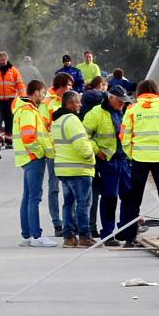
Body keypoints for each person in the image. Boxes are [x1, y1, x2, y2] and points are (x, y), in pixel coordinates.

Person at [119, 79, 159, 247]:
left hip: (139, 159)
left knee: (134, 200)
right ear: (156, 92)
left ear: (139, 92)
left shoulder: (132, 110)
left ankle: (130, 239)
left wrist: (131, 154)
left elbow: (124, 136)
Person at [83, 85, 133, 247]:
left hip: (123, 160)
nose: (122, 104)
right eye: (120, 101)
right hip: (108, 162)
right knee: (110, 198)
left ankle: (124, 230)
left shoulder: (122, 112)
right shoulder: (95, 114)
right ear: (110, 98)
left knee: (128, 196)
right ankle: (108, 233)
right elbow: (85, 136)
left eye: (124, 102)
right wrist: (98, 151)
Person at [13, 80, 57, 247]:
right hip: (33, 158)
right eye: (43, 93)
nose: (44, 96)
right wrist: (39, 153)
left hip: (28, 157)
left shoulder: (24, 109)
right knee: (34, 198)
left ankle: (27, 235)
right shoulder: (28, 111)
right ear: (36, 92)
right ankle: (37, 235)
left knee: (28, 197)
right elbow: (29, 137)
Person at [51, 90, 96, 248]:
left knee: (68, 204)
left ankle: (69, 237)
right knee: (83, 204)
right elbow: (81, 145)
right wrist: (91, 158)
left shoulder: (57, 121)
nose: (80, 105)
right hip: (79, 169)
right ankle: (84, 236)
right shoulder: (72, 120)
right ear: (70, 104)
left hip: (63, 170)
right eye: (78, 102)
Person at [39, 72, 74, 237]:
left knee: (70, 188)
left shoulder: (70, 100)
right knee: (54, 189)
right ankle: (57, 224)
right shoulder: (47, 103)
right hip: (54, 151)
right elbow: (44, 129)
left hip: (69, 151)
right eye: (68, 85)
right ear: (60, 85)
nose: (70, 88)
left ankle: (70, 222)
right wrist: (49, 149)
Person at [80, 75, 108, 237]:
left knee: (88, 193)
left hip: (88, 153)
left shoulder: (85, 100)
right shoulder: (98, 103)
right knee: (100, 192)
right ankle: (93, 227)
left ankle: (88, 226)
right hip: (100, 154)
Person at [0, 51, 26, 149]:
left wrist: (23, 98)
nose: (2, 62)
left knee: (9, 120)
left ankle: (9, 141)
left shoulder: (14, 71)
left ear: (7, 59)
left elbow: (20, 85)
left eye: (3, 60)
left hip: (10, 100)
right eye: (0, 60)